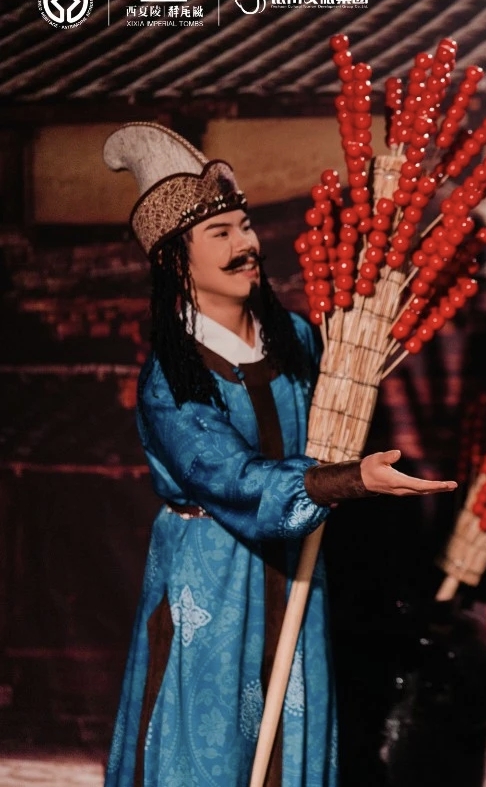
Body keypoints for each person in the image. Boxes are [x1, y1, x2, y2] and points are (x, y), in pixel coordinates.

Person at [100, 123, 456, 787]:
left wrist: (348, 474)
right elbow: (232, 478)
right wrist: (345, 481)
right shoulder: (173, 378)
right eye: (221, 234)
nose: (246, 245)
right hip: (211, 576)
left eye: (245, 226)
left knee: (291, 738)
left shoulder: (294, 337)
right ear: (176, 262)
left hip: (298, 566)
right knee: (206, 749)